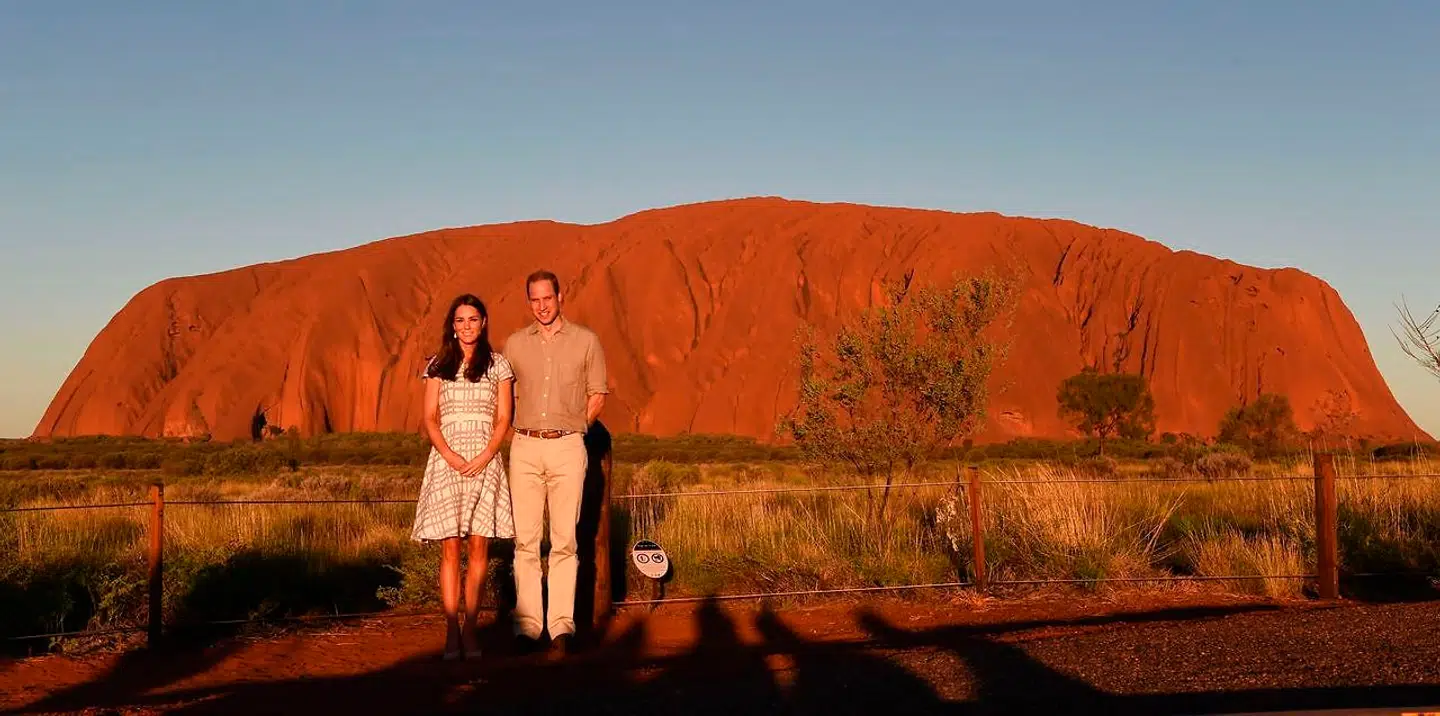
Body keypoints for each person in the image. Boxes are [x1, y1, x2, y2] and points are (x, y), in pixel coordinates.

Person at [502, 269, 608, 658]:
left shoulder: (586, 341)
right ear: (528, 300)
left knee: (565, 539)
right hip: (526, 445)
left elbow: (598, 392)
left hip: (567, 446)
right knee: (526, 541)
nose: (542, 306)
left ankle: (561, 625)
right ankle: (527, 626)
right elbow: (505, 394)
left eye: (547, 298)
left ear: (560, 296)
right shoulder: (515, 344)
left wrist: (578, 427)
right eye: (534, 299)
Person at [410, 294, 515, 661]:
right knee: (451, 548)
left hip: (485, 462)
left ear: (484, 322)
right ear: (451, 325)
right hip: (447, 462)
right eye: (460, 320)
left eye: (473, 319)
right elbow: (429, 418)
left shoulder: (499, 365)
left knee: (479, 547)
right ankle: (451, 629)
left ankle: (472, 629)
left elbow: (504, 418)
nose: (466, 326)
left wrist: (486, 454)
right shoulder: (439, 364)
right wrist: (450, 455)